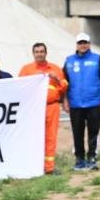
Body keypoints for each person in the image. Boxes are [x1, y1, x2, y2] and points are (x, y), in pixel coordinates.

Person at [18, 42, 68, 174]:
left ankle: (49, 168)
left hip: (52, 107)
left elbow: (64, 86)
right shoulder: (26, 70)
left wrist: (56, 79)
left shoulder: (55, 68)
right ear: (33, 54)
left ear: (46, 53)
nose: (39, 54)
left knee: (51, 137)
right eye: (37, 52)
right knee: (34, 136)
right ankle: (34, 166)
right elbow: (20, 88)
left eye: (41, 51)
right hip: (34, 109)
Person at [63, 33, 100, 170]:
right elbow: (64, 83)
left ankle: (92, 158)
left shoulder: (97, 59)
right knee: (77, 133)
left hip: (94, 103)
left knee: (93, 132)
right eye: (80, 43)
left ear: (89, 44)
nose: (83, 45)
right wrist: (64, 100)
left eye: (85, 42)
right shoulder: (69, 61)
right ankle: (79, 159)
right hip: (75, 104)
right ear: (77, 45)